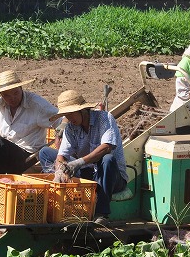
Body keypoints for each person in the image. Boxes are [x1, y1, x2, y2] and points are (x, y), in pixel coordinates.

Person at [38, 90, 128, 225]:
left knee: (107, 159)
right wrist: (59, 170)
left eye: (71, 114)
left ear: (83, 110)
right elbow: (61, 156)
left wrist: (79, 162)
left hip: (111, 177)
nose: (69, 118)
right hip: (89, 173)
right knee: (45, 152)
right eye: (66, 115)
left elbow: (106, 147)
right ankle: (58, 199)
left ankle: (101, 213)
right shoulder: (71, 128)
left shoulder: (104, 118)